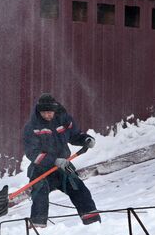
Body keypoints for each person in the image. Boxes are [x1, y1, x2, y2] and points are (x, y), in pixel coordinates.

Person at [22, 93, 100, 226]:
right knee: (40, 195)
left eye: (50, 112)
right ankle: (38, 228)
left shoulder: (64, 120)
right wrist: (54, 161)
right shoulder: (31, 127)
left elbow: (74, 135)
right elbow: (32, 153)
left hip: (63, 167)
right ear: (39, 111)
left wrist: (85, 139)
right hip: (41, 170)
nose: (48, 115)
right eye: (45, 113)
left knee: (79, 189)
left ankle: (92, 222)